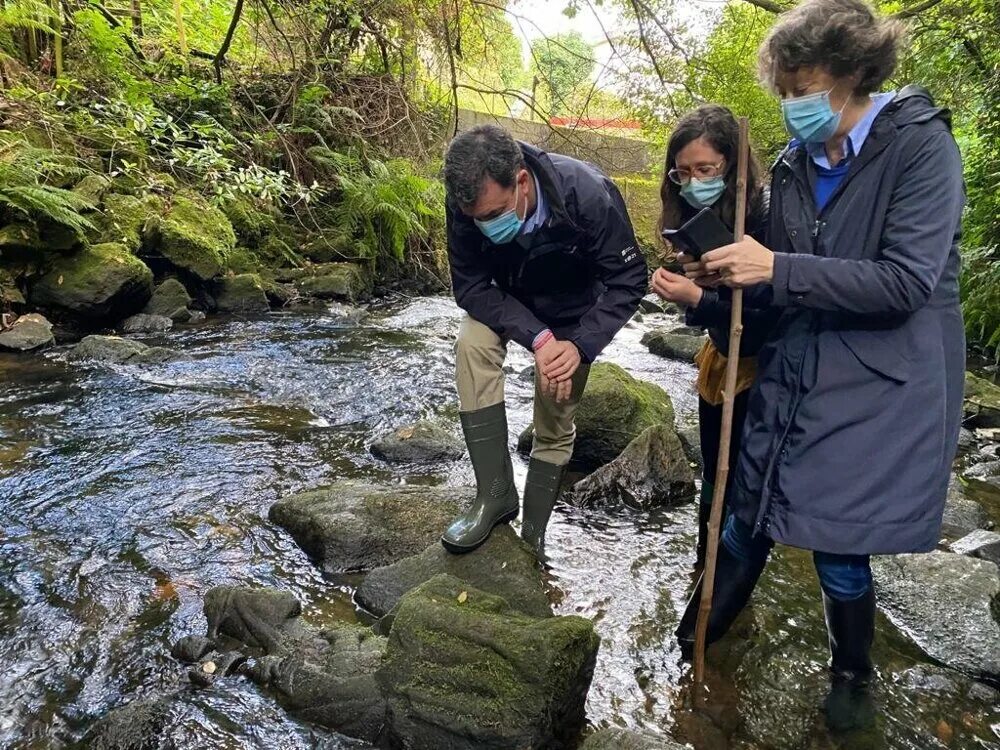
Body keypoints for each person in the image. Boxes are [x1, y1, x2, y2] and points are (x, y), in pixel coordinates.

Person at [674, 0, 965, 732]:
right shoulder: (793, 165)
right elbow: (778, 293)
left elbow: (906, 282)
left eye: (805, 89)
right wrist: (721, 288)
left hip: (883, 382)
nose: (793, 104)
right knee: (747, 513)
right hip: (799, 369)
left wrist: (776, 265)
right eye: (785, 90)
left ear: (855, 72)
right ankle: (692, 643)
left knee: (839, 542)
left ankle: (851, 674)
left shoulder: (921, 148)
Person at [440, 124, 647, 556]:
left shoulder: (587, 194)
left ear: (520, 181)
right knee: (472, 343)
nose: (484, 225)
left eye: (494, 215)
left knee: (555, 415)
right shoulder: (466, 198)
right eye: (477, 219)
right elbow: (471, 287)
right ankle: (493, 496)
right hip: (507, 303)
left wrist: (579, 344)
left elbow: (628, 280)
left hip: (574, 314)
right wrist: (538, 337)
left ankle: (534, 534)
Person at [650, 104, 775, 567]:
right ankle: (706, 570)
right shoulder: (692, 211)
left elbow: (771, 315)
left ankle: (726, 587)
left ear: (732, 166)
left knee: (742, 486)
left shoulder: (765, 213)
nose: (693, 180)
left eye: (705, 168)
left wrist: (698, 298)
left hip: (761, 369)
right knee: (714, 478)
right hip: (720, 359)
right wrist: (693, 284)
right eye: (682, 172)